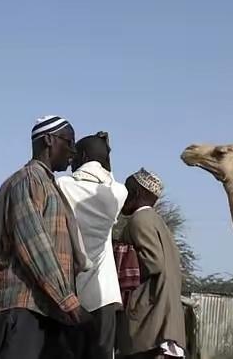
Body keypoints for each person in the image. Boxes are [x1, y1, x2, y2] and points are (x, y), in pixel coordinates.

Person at [0, 116, 89, 358]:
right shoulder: (28, 180)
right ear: (49, 140)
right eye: (69, 141)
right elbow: (35, 246)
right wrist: (69, 300)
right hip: (20, 309)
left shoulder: (47, 184)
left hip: (41, 310)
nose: (73, 150)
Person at [56, 133, 129, 359]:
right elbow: (109, 181)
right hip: (103, 297)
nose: (71, 161)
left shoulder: (62, 185)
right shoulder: (117, 193)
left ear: (83, 157)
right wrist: (106, 153)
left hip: (70, 295)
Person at [115, 169, 185, 359]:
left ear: (136, 193)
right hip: (163, 319)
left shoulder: (140, 219)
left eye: (127, 191)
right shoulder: (157, 221)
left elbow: (153, 262)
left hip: (150, 321)